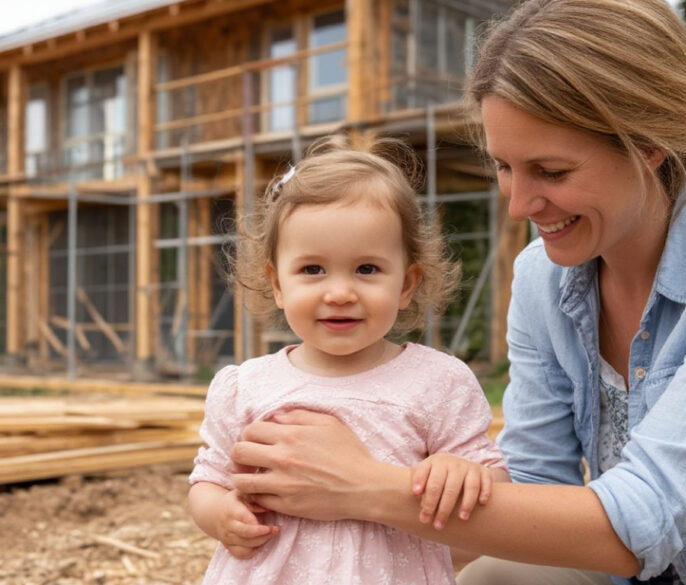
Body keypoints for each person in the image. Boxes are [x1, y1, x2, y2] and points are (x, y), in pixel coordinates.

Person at [226, 1, 686, 584]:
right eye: (504, 166)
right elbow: (529, 487)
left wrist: (365, 486)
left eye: (551, 171)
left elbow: (644, 518)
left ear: (651, 143)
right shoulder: (543, 278)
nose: (521, 204)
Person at [186, 135, 510, 584]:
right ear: (277, 283)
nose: (339, 293)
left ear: (406, 284)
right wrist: (220, 514)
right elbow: (209, 480)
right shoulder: (245, 386)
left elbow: (495, 486)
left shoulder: (438, 382)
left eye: (367, 269)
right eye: (312, 270)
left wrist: (459, 471)